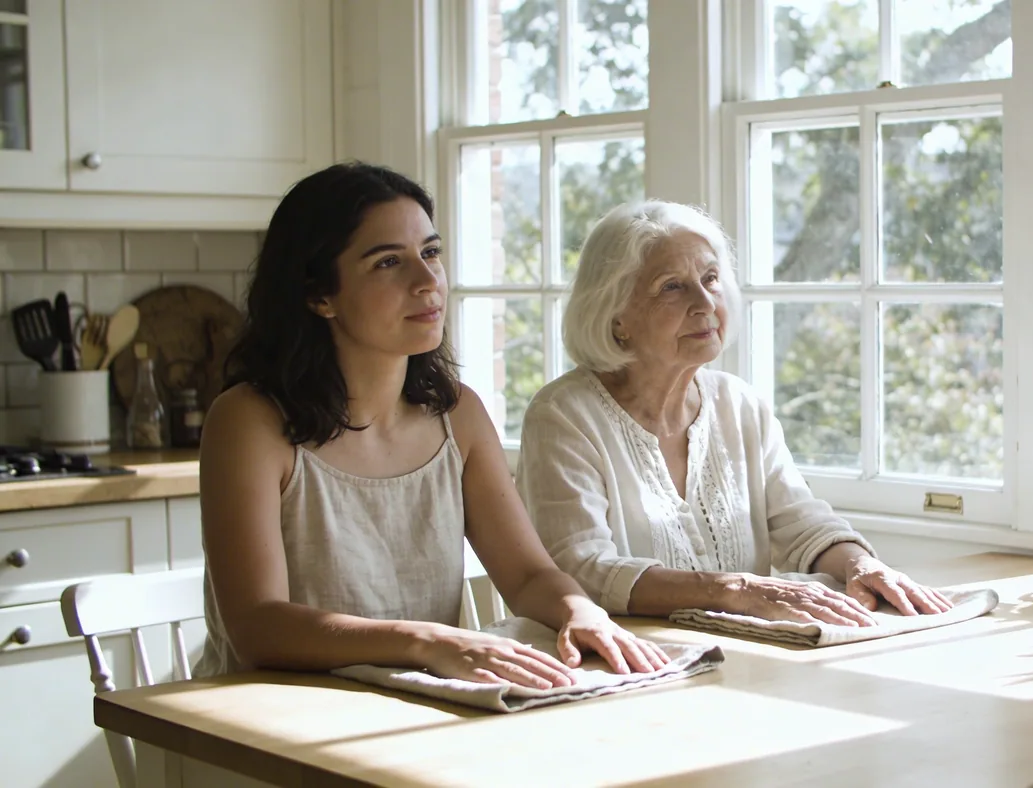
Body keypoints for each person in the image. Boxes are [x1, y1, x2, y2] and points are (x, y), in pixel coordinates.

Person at [195, 163, 668, 688]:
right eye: (388, 262)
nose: (427, 281)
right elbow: (258, 626)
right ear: (318, 295)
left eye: (431, 253)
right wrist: (428, 641)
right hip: (266, 721)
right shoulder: (248, 422)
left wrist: (580, 611)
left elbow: (528, 575)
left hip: (415, 703)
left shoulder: (458, 415)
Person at [515, 200, 954, 627]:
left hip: (745, 662)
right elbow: (581, 571)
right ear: (616, 317)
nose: (705, 302)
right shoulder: (563, 416)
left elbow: (801, 522)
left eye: (710, 277)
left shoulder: (739, 404)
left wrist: (861, 564)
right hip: (626, 667)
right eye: (672, 286)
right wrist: (735, 589)